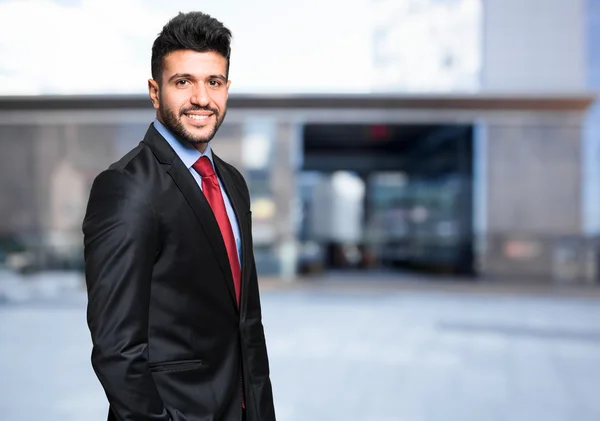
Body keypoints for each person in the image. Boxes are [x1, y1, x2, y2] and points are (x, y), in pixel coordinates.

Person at [82, 11, 276, 421]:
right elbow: (117, 348)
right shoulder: (126, 187)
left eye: (214, 82)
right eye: (183, 81)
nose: (202, 99)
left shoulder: (232, 183)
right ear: (155, 92)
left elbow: (246, 325)